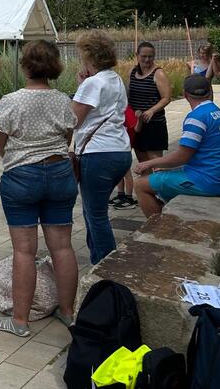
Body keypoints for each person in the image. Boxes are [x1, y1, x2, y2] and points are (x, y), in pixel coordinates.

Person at [0, 40, 78, 337]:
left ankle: (20, 320)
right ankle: (67, 312)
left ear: (25, 65)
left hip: (21, 176)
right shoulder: (63, 100)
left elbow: (0, 141)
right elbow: (67, 135)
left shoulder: (11, 100)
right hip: (59, 172)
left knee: (24, 251)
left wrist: (16, 157)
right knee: (62, 247)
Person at [73, 31, 132, 265]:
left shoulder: (93, 83)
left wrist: (80, 87)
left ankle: (107, 268)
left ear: (89, 56)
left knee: (96, 215)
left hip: (98, 153)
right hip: (120, 150)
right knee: (93, 211)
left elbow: (73, 120)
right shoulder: (115, 79)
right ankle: (97, 260)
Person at [134, 75, 220, 217]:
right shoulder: (219, 113)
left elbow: (182, 156)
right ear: (210, 91)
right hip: (216, 175)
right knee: (164, 178)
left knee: (140, 185)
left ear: (185, 94)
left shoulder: (196, 118)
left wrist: (150, 163)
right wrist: (169, 167)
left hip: (205, 181)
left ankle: (158, 226)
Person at [112, 42, 171, 209]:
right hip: (136, 124)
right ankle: (148, 195)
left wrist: (151, 110)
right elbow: (127, 95)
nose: (147, 59)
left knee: (156, 163)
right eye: (143, 56)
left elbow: (166, 98)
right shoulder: (132, 72)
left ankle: (163, 194)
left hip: (154, 124)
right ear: (137, 56)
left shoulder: (158, 73)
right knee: (142, 162)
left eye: (150, 56)